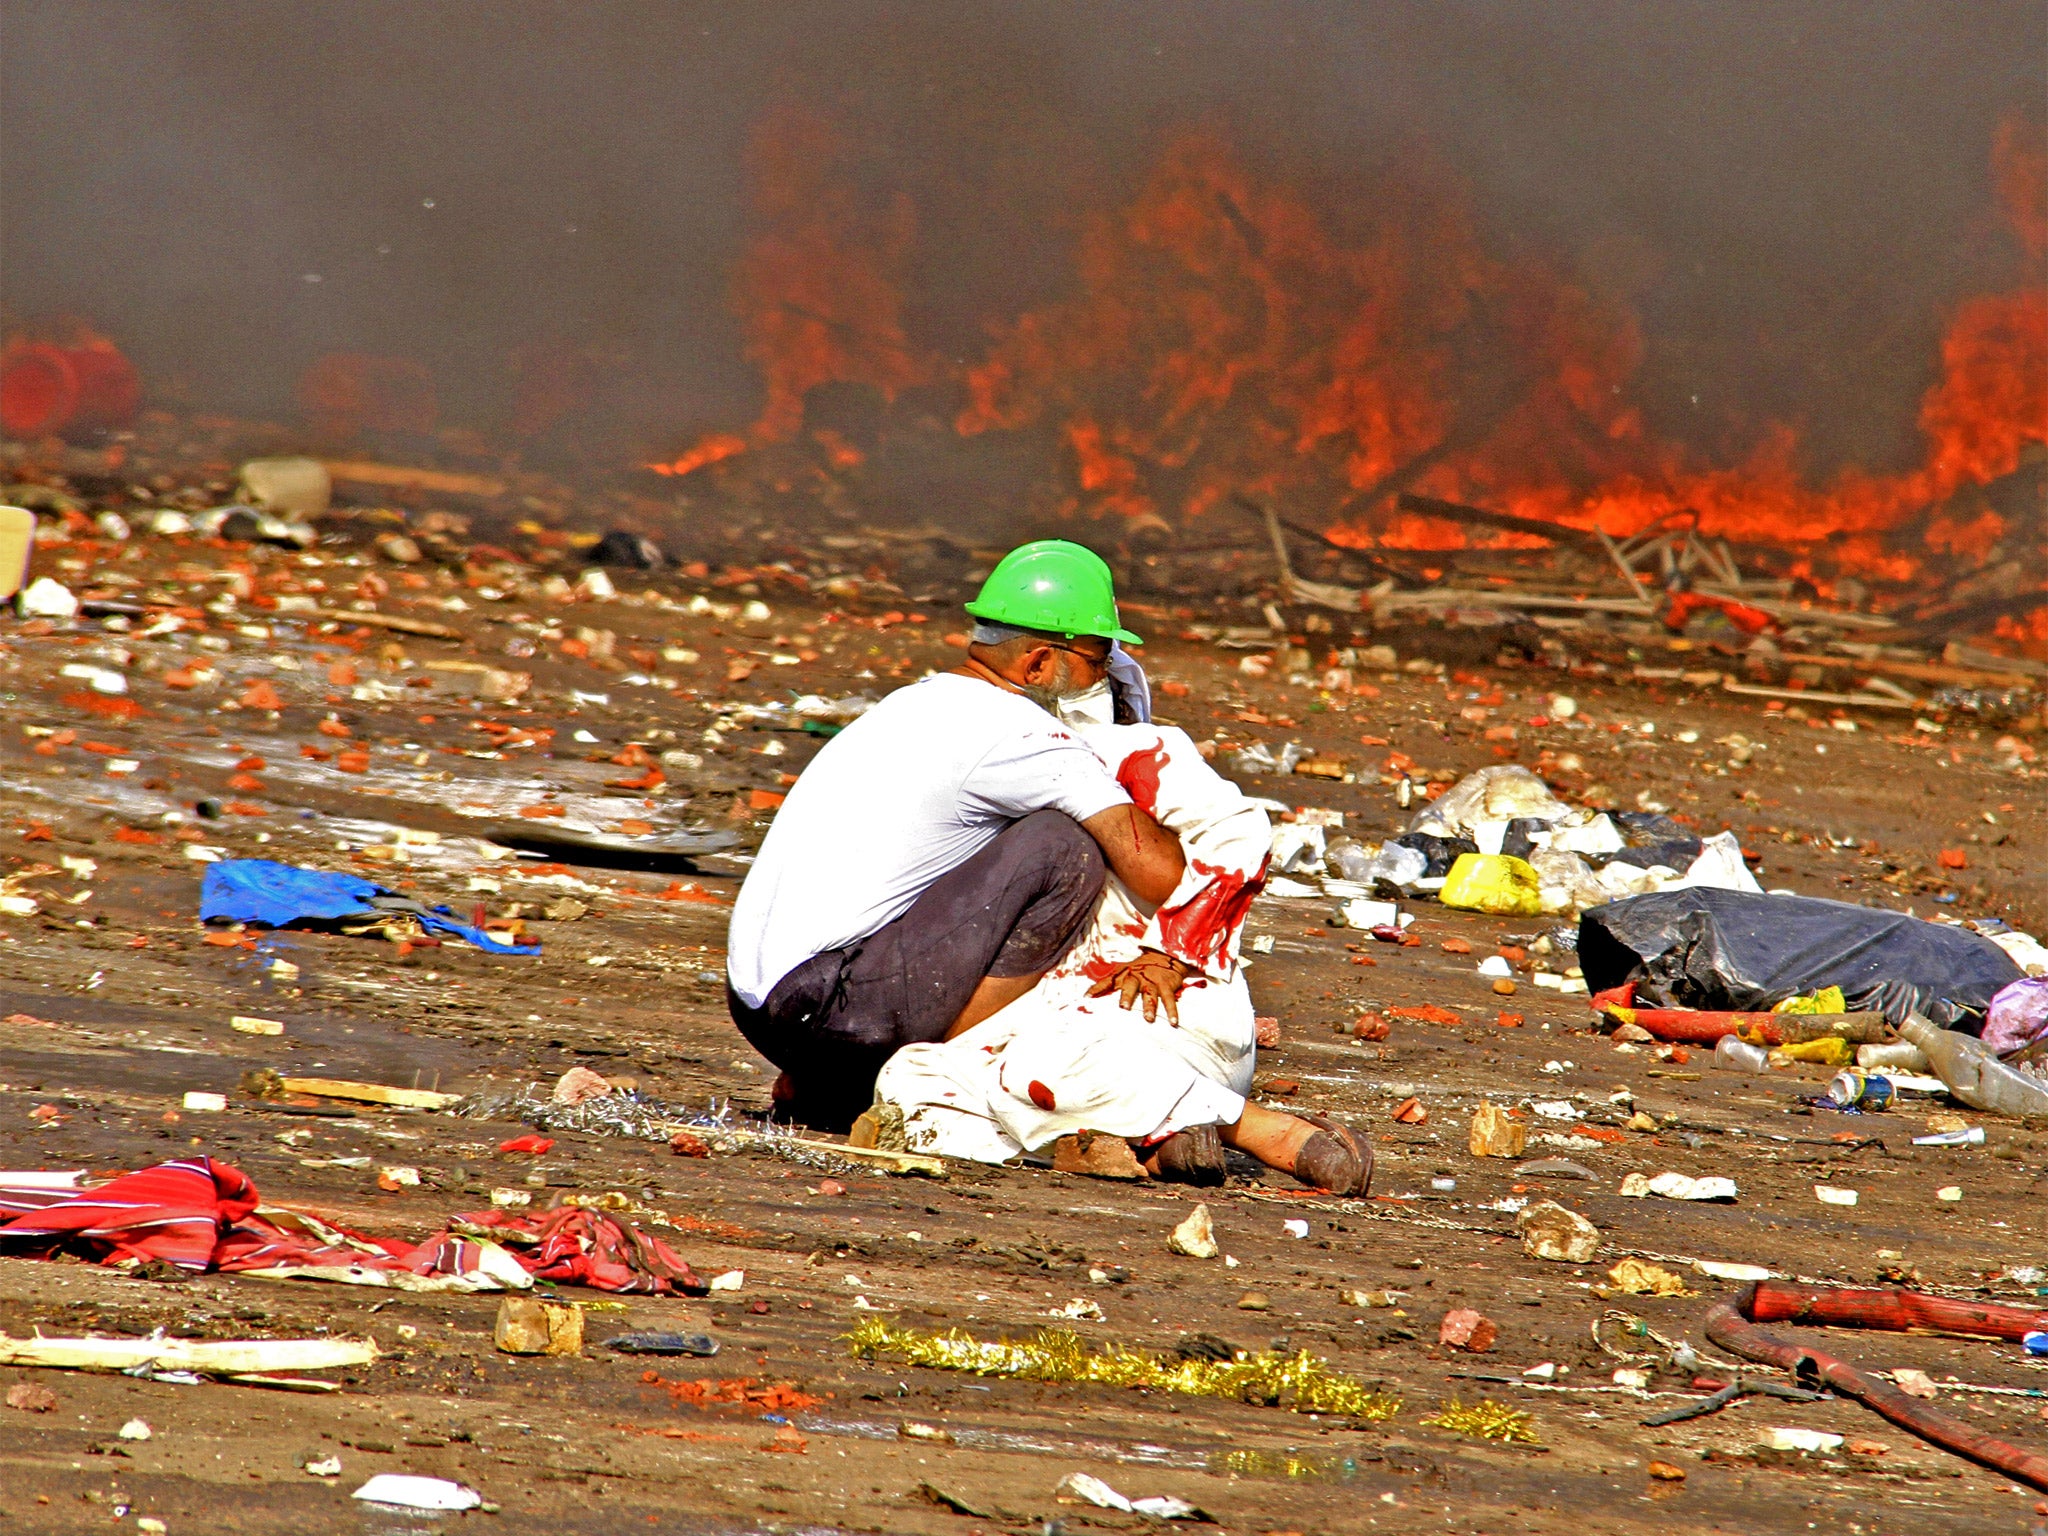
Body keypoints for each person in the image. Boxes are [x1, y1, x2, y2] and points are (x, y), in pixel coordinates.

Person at [725, 540, 1191, 1131]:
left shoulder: (917, 702)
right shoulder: (1019, 735)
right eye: (1101, 663)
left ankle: (831, 1077)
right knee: (1062, 850)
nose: (1108, 678)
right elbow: (1161, 873)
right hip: (831, 1008)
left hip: (759, 1003)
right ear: (1040, 664)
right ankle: (936, 1072)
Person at [871, 710, 1372, 1194]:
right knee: (906, 1081)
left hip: (1162, 1002)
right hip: (1045, 1009)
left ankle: (1258, 1129)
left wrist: (1171, 953)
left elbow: (1240, 834)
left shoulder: (1125, 753)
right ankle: (1128, 1140)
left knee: (1044, 1062)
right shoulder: (970, 768)